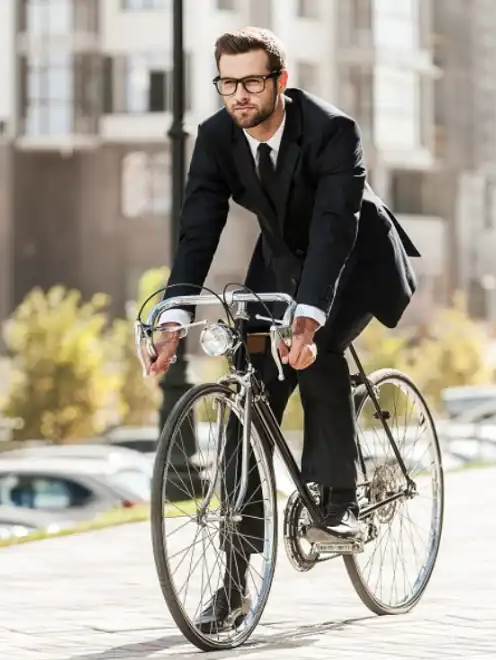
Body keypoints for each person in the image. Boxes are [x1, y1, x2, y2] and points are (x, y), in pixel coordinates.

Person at [147, 27, 421, 630]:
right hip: (279, 264)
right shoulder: (217, 137)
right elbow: (198, 232)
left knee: (313, 350)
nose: (238, 94)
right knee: (251, 392)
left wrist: (305, 318)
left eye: (251, 81)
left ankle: (339, 503)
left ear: (280, 82)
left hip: (353, 261)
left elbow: (332, 230)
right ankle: (233, 584)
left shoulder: (332, 131)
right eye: (226, 82)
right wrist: (172, 317)